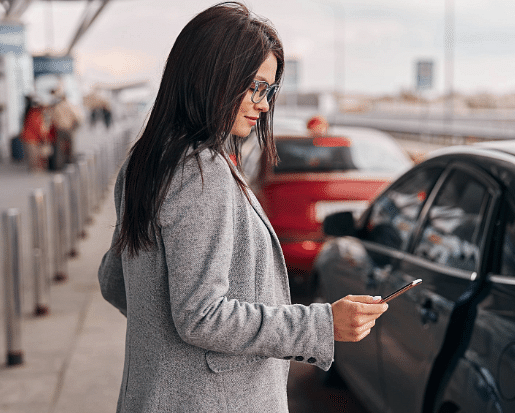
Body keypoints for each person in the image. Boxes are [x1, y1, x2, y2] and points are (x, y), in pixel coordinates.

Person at [97, 3, 388, 412]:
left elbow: (114, 280)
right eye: (254, 87)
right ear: (212, 77)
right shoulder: (201, 173)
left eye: (268, 90)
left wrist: (163, 341)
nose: (264, 104)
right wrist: (321, 325)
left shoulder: (148, 159)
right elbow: (201, 315)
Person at [47, 89, 82, 168]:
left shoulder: (57, 106)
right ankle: (70, 163)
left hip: (60, 129)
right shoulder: (70, 106)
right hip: (68, 128)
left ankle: (59, 165)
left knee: (59, 148)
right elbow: (77, 117)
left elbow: (53, 118)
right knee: (70, 147)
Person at [20, 95, 48, 172]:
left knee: (32, 154)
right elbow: (37, 127)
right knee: (33, 155)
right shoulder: (35, 114)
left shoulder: (31, 112)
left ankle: (34, 168)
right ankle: (34, 169)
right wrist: (43, 137)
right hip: (31, 137)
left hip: (30, 136)